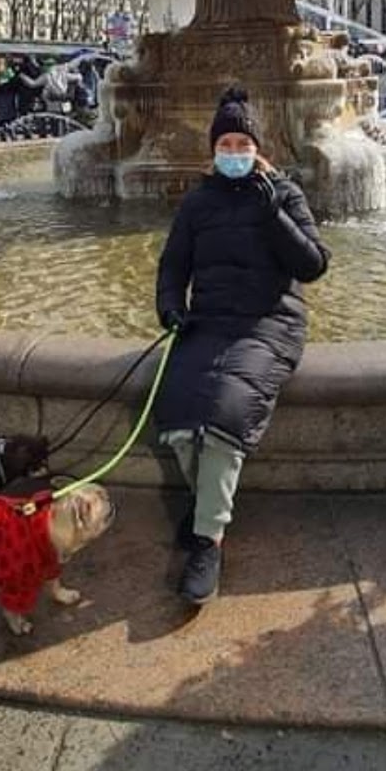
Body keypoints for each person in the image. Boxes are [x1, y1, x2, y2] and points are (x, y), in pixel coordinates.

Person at [155, 85, 330, 606]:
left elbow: (313, 265)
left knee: (226, 413)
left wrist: (273, 215)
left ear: (257, 148)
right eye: (225, 145)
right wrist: (170, 306)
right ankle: (207, 503)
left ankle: (208, 540)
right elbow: (173, 265)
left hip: (269, 323)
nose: (234, 152)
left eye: (242, 144)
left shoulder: (284, 193)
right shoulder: (197, 201)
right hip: (208, 322)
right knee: (177, 412)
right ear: (214, 150)